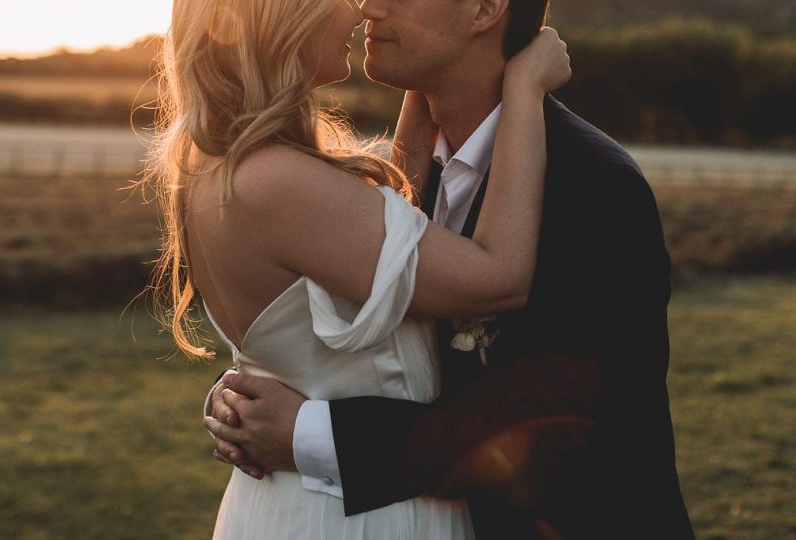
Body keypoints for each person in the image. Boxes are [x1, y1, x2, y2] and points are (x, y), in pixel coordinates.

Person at [205, 0, 696, 538]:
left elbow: (565, 427)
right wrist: (266, 380)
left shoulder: (595, 185)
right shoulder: (390, 183)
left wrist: (307, 433)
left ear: (485, 9)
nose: (369, 5)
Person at [146, 0, 572, 537]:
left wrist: (424, 81)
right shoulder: (281, 183)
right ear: (287, 18)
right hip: (356, 513)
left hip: (294, 501)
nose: (361, 11)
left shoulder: (222, 166)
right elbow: (499, 277)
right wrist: (525, 91)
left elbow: (391, 229)